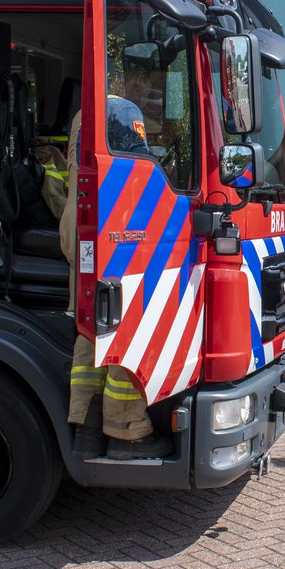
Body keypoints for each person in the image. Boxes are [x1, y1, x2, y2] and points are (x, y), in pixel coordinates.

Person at [58, 104, 173, 462]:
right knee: (126, 330)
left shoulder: (83, 113)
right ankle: (127, 431)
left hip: (80, 226)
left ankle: (86, 429)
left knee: (90, 330)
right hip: (115, 228)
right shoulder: (120, 109)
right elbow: (140, 166)